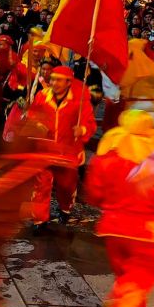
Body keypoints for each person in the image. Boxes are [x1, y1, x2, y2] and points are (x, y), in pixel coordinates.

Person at [85, 109, 154, 307]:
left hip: (112, 228)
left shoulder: (104, 160)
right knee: (141, 275)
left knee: (124, 273)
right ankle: (124, 300)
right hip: (145, 231)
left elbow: (94, 194)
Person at [26, 66, 97, 234]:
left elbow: (91, 124)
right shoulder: (42, 96)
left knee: (66, 186)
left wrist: (82, 130)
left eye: (59, 80)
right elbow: (33, 115)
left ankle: (65, 208)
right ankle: (39, 220)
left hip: (68, 152)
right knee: (41, 185)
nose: (54, 83)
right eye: (52, 79)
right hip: (44, 149)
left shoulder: (79, 101)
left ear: (68, 82)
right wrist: (36, 123)